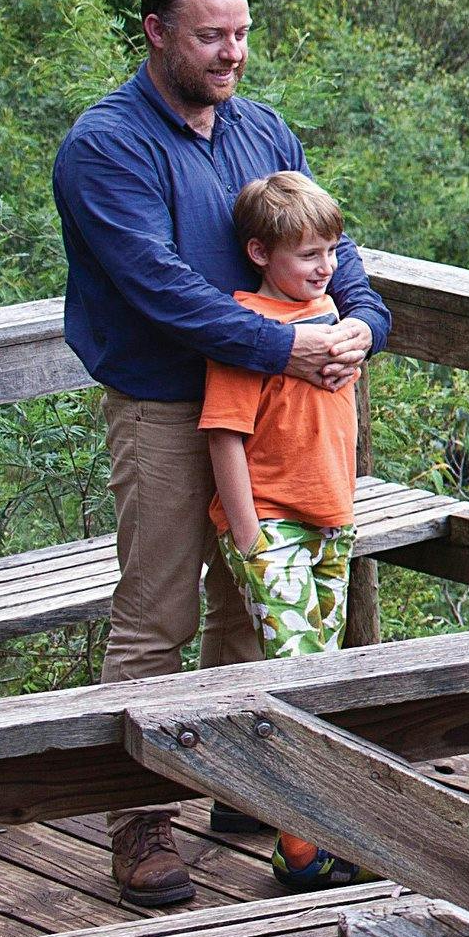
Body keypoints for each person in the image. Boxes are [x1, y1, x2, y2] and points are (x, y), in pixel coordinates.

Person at [55, 0, 388, 908]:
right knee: (157, 616)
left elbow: (327, 243)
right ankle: (141, 822)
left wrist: (363, 322)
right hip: (166, 407)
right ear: (156, 32)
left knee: (251, 606)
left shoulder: (262, 128)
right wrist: (288, 347)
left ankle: (241, 782)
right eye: (210, 36)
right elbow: (158, 288)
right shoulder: (106, 145)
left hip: (280, 413)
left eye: (240, 33)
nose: (232, 52)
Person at [199, 172, 373, 892]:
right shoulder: (247, 330)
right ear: (260, 253)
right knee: (295, 675)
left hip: (331, 519)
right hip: (273, 527)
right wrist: (249, 538)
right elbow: (224, 435)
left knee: (320, 672)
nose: (325, 266)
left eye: (331, 250)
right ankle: (301, 847)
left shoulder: (332, 315)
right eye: (308, 254)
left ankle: (307, 823)